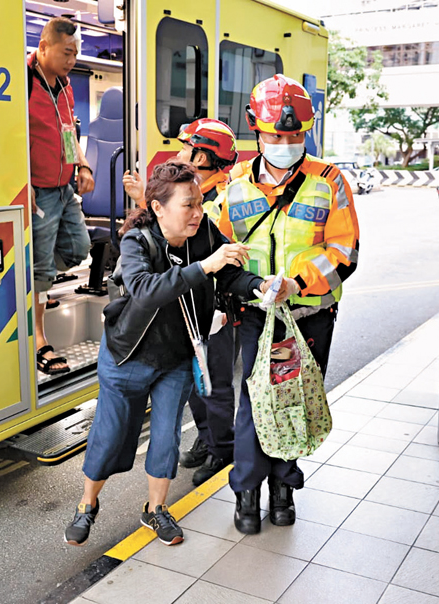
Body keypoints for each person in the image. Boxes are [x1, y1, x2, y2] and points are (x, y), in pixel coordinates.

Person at [64, 161, 294, 547]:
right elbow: (145, 289)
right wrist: (205, 266)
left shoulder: (202, 231)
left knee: (167, 438)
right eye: (188, 205)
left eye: (200, 203)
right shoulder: (138, 240)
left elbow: (230, 272)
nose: (198, 212)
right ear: (158, 208)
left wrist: (260, 285)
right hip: (128, 357)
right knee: (111, 434)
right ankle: (87, 505)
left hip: (176, 358)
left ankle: (155, 510)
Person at [214, 74, 360, 534]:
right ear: (256, 130)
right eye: (276, 135)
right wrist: (250, 286)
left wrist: (297, 283)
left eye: (294, 135)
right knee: (254, 403)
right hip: (255, 315)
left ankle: (283, 489)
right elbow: (219, 248)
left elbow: (345, 250)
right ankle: (246, 494)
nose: (285, 143)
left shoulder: (329, 180)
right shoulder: (234, 183)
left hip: (310, 315)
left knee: (295, 399)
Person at [123, 119, 242, 486]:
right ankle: (209, 440)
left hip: (215, 309)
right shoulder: (199, 191)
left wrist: (149, 199)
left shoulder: (220, 200)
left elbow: (199, 242)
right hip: (188, 309)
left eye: (186, 147)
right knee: (195, 383)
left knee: (215, 384)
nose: (178, 153)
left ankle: (223, 448)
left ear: (203, 154)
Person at [28, 17, 94, 375]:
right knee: (39, 268)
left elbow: (69, 133)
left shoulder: (65, 86)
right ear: (43, 48)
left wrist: (82, 166)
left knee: (77, 249)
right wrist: (23, 187)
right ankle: (38, 339)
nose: (72, 60)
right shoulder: (23, 83)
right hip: (38, 190)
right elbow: (9, 142)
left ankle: (38, 290)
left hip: (63, 186)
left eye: (76, 53)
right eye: (66, 52)